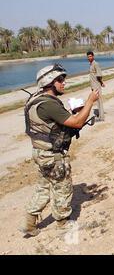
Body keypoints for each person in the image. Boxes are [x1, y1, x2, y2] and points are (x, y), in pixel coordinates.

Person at [21, 64, 99, 236]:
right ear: (49, 83)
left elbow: (51, 124)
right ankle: (63, 223)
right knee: (62, 187)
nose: (64, 83)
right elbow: (77, 123)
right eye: (60, 80)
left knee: (44, 187)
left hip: (41, 153)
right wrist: (90, 101)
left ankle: (29, 222)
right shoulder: (48, 104)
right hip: (53, 156)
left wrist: (72, 114)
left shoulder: (36, 99)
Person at [87, 51, 105, 121]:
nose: (89, 58)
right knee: (97, 101)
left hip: (96, 85)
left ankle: (101, 117)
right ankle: (100, 116)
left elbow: (99, 75)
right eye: (88, 57)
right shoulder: (91, 64)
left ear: (93, 56)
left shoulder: (96, 64)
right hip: (93, 85)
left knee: (99, 100)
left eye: (90, 56)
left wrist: (101, 83)